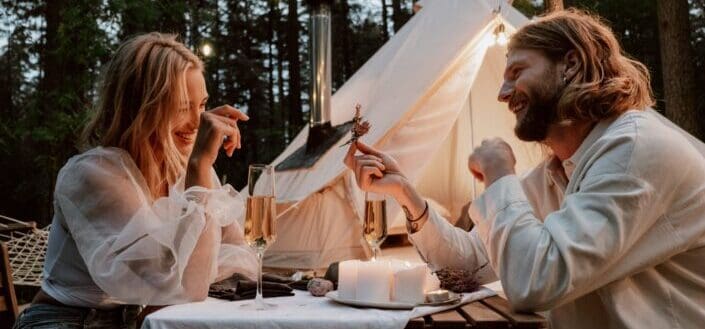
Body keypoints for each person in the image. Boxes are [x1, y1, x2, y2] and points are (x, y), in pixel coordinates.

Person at [345, 9, 705, 329]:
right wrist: (405, 194)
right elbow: (469, 267)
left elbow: (536, 282)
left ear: (571, 64)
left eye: (517, 71)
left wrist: (501, 174)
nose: (502, 93)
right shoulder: (556, 173)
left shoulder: (635, 149)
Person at [14, 32, 257, 328]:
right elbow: (169, 280)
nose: (198, 123)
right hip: (67, 320)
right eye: (182, 107)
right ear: (144, 107)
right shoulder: (93, 174)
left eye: (202, 105)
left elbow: (237, 254)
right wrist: (200, 167)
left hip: (138, 319)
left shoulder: (188, 169)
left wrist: (198, 171)